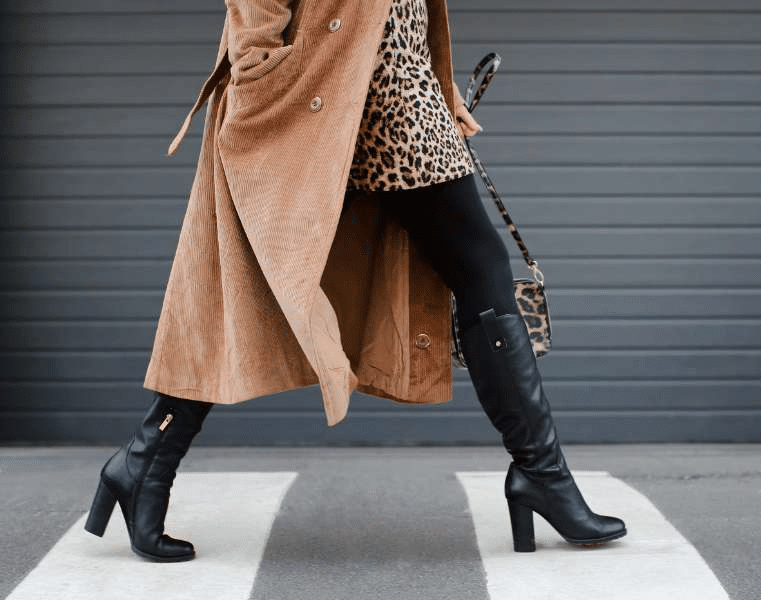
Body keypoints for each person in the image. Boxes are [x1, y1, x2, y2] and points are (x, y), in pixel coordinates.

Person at [84, 0, 626, 562]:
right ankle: (541, 475)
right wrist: (283, 84)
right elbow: (258, 29)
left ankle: (144, 463)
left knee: (251, 285)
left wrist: (438, 86)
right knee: (474, 266)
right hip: (360, 96)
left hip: (395, 88)